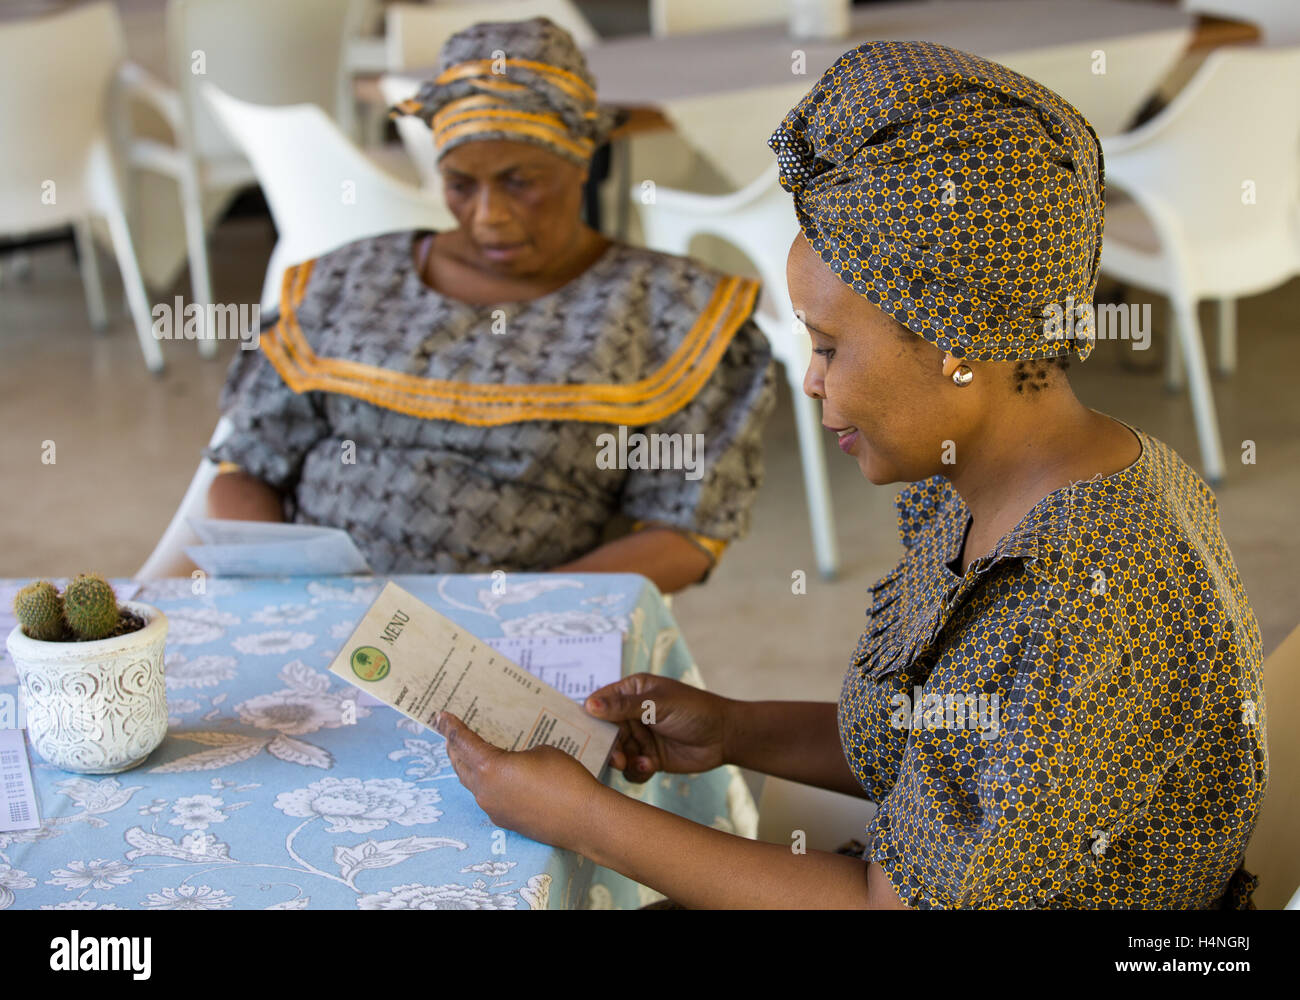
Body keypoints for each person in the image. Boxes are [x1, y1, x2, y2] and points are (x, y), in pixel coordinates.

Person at [433, 40, 1267, 909]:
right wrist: (734, 729)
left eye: (828, 346)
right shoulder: (986, 489)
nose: (811, 377)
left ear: (957, 342)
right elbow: (951, 759)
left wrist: (582, 819)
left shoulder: (1085, 596)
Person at [195, 17, 776, 594]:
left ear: (582, 164)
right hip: (319, 615)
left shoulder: (667, 312)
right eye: (460, 185)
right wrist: (283, 592)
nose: (488, 216)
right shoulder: (347, 281)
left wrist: (507, 614)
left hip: (520, 634)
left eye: (520, 181)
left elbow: (687, 534)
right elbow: (245, 466)